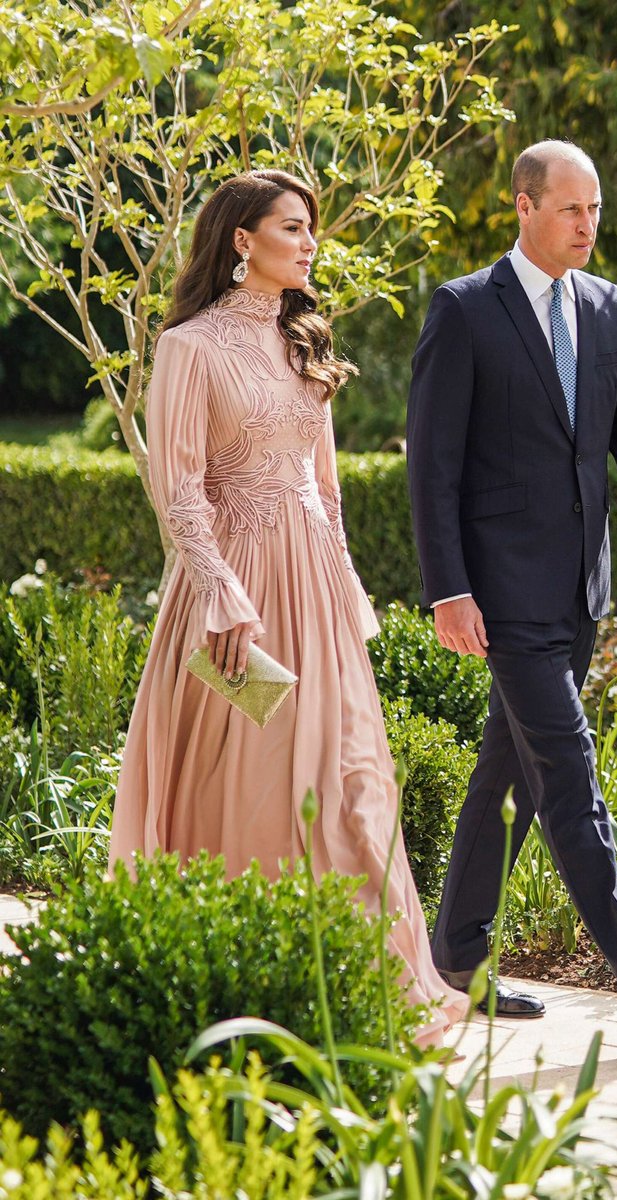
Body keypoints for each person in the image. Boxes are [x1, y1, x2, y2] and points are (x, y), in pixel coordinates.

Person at [108, 168, 468, 1044]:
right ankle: (248, 983)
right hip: (239, 592)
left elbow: (327, 487)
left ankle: (366, 985)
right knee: (257, 783)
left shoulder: (306, 335)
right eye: (293, 228)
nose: (310, 243)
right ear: (242, 241)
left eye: (311, 230)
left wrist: (346, 587)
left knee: (351, 781)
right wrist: (221, 594)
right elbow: (177, 486)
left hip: (315, 589)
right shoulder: (189, 347)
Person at [406, 140, 617, 1044]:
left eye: (595, 210)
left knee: (506, 772)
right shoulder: (465, 310)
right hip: (500, 595)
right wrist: (449, 591)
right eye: (570, 210)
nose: (588, 226)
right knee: (567, 774)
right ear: (523, 206)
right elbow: (431, 469)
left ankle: (459, 957)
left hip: (580, 587)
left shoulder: (612, 308)